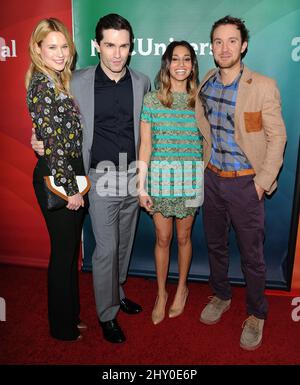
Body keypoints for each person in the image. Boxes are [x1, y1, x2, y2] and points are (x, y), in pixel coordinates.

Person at [32, 14, 151, 343]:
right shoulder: (76, 80)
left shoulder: (142, 82)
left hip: (131, 175)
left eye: (123, 46)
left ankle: (119, 291)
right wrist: (37, 136)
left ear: (131, 47)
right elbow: (53, 117)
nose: (116, 54)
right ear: (97, 45)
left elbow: (147, 131)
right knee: (106, 248)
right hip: (98, 176)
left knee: (124, 245)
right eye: (109, 45)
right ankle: (107, 314)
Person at [195, 16, 287, 350]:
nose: (224, 47)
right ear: (212, 46)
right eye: (218, 41)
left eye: (232, 41)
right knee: (216, 246)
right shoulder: (206, 82)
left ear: (244, 45)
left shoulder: (262, 86)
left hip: (246, 185)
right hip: (214, 180)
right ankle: (220, 294)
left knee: (252, 255)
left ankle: (257, 313)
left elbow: (278, 137)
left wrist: (261, 183)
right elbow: (206, 130)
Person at [26, 18, 87, 341]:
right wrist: (70, 190)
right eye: (52, 47)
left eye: (64, 46)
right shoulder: (41, 85)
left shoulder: (57, 81)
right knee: (63, 255)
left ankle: (70, 316)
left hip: (68, 172)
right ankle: (62, 328)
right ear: (38, 49)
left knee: (68, 255)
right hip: (57, 177)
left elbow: (55, 135)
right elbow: (51, 145)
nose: (61, 53)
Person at [138, 41, 203, 325]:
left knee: (184, 238)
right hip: (160, 181)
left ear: (192, 65)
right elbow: (146, 146)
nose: (180, 64)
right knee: (163, 239)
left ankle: (182, 288)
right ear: (167, 63)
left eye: (186, 59)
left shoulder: (200, 99)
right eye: (175, 59)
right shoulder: (152, 100)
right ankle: (161, 293)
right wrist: (141, 186)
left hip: (189, 181)